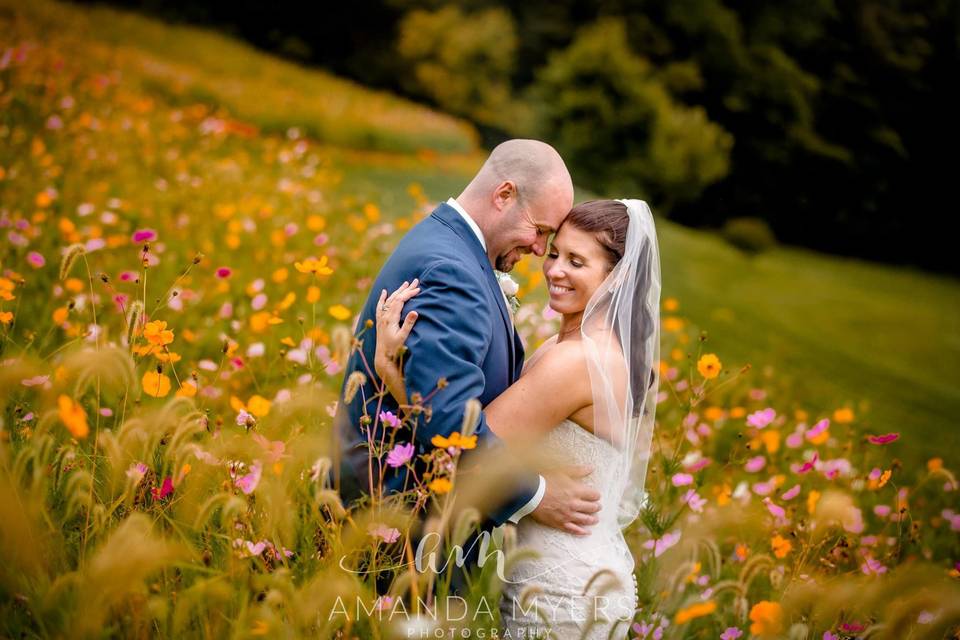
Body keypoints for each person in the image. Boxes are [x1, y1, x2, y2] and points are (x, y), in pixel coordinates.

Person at [376, 199, 661, 638]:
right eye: (554, 253)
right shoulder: (585, 350)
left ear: (616, 278)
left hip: (559, 589)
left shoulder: (578, 361)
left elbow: (465, 445)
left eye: (577, 261)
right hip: (571, 571)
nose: (554, 270)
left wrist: (394, 375)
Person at [332, 139, 606, 594]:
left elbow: (435, 399)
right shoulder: (452, 270)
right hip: (399, 534)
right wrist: (536, 494)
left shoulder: (449, 245)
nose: (541, 250)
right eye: (540, 230)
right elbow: (447, 417)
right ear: (503, 195)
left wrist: (394, 374)